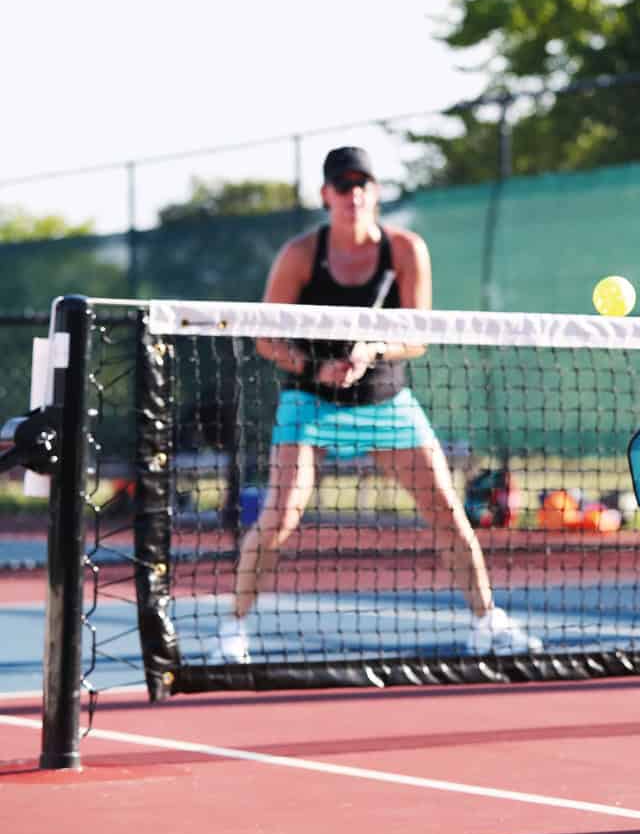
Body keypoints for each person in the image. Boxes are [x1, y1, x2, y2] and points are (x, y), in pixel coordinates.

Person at [213, 146, 541, 663]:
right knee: (278, 518)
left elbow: (418, 337)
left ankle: (486, 623)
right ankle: (232, 632)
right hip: (310, 404)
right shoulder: (301, 255)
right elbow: (264, 337)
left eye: (363, 184)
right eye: (343, 186)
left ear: (377, 192)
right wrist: (310, 367)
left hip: (387, 402)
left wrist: (372, 350)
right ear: (326, 195)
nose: (354, 194)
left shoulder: (406, 250)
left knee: (448, 514)